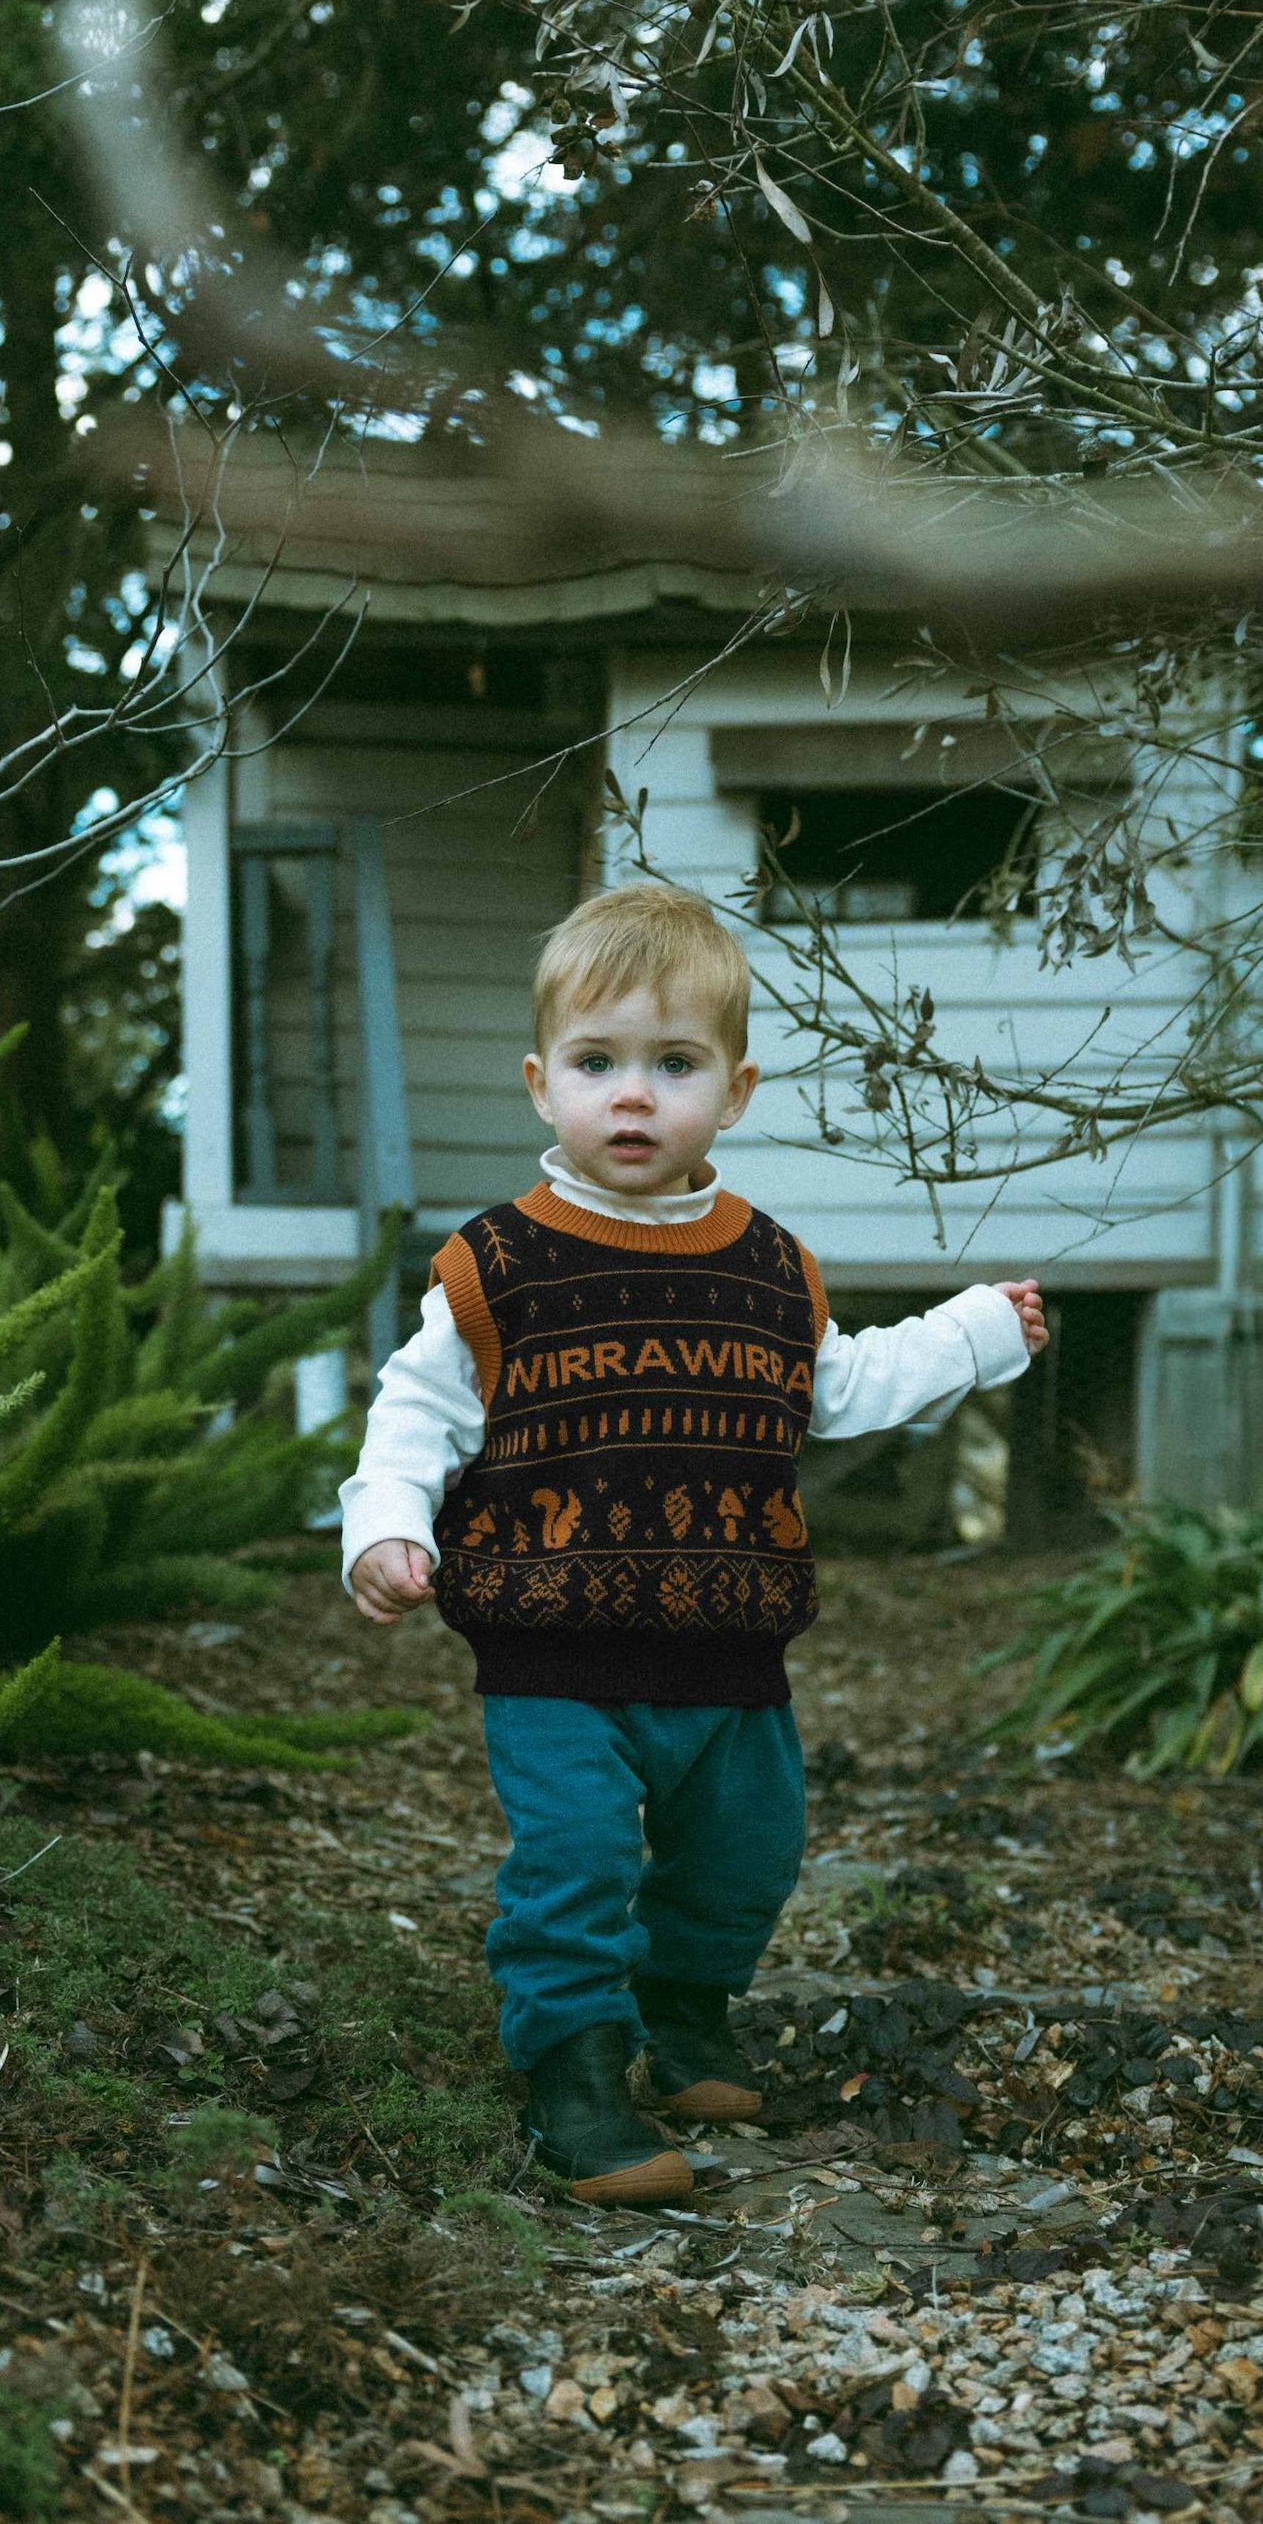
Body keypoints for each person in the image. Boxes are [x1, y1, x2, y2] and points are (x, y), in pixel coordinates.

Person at [340, 883, 1047, 2206]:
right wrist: (384, 1527)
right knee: (578, 1862)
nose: (633, 1096)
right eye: (597, 1064)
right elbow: (415, 1417)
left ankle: (682, 2015)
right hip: (554, 1646)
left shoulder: (769, 1266)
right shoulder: (498, 1267)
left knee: (745, 1855)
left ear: (734, 1090)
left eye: (674, 1065)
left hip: (729, 1642)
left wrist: (973, 1333)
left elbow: (841, 1385)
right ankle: (573, 2070)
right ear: (543, 1084)